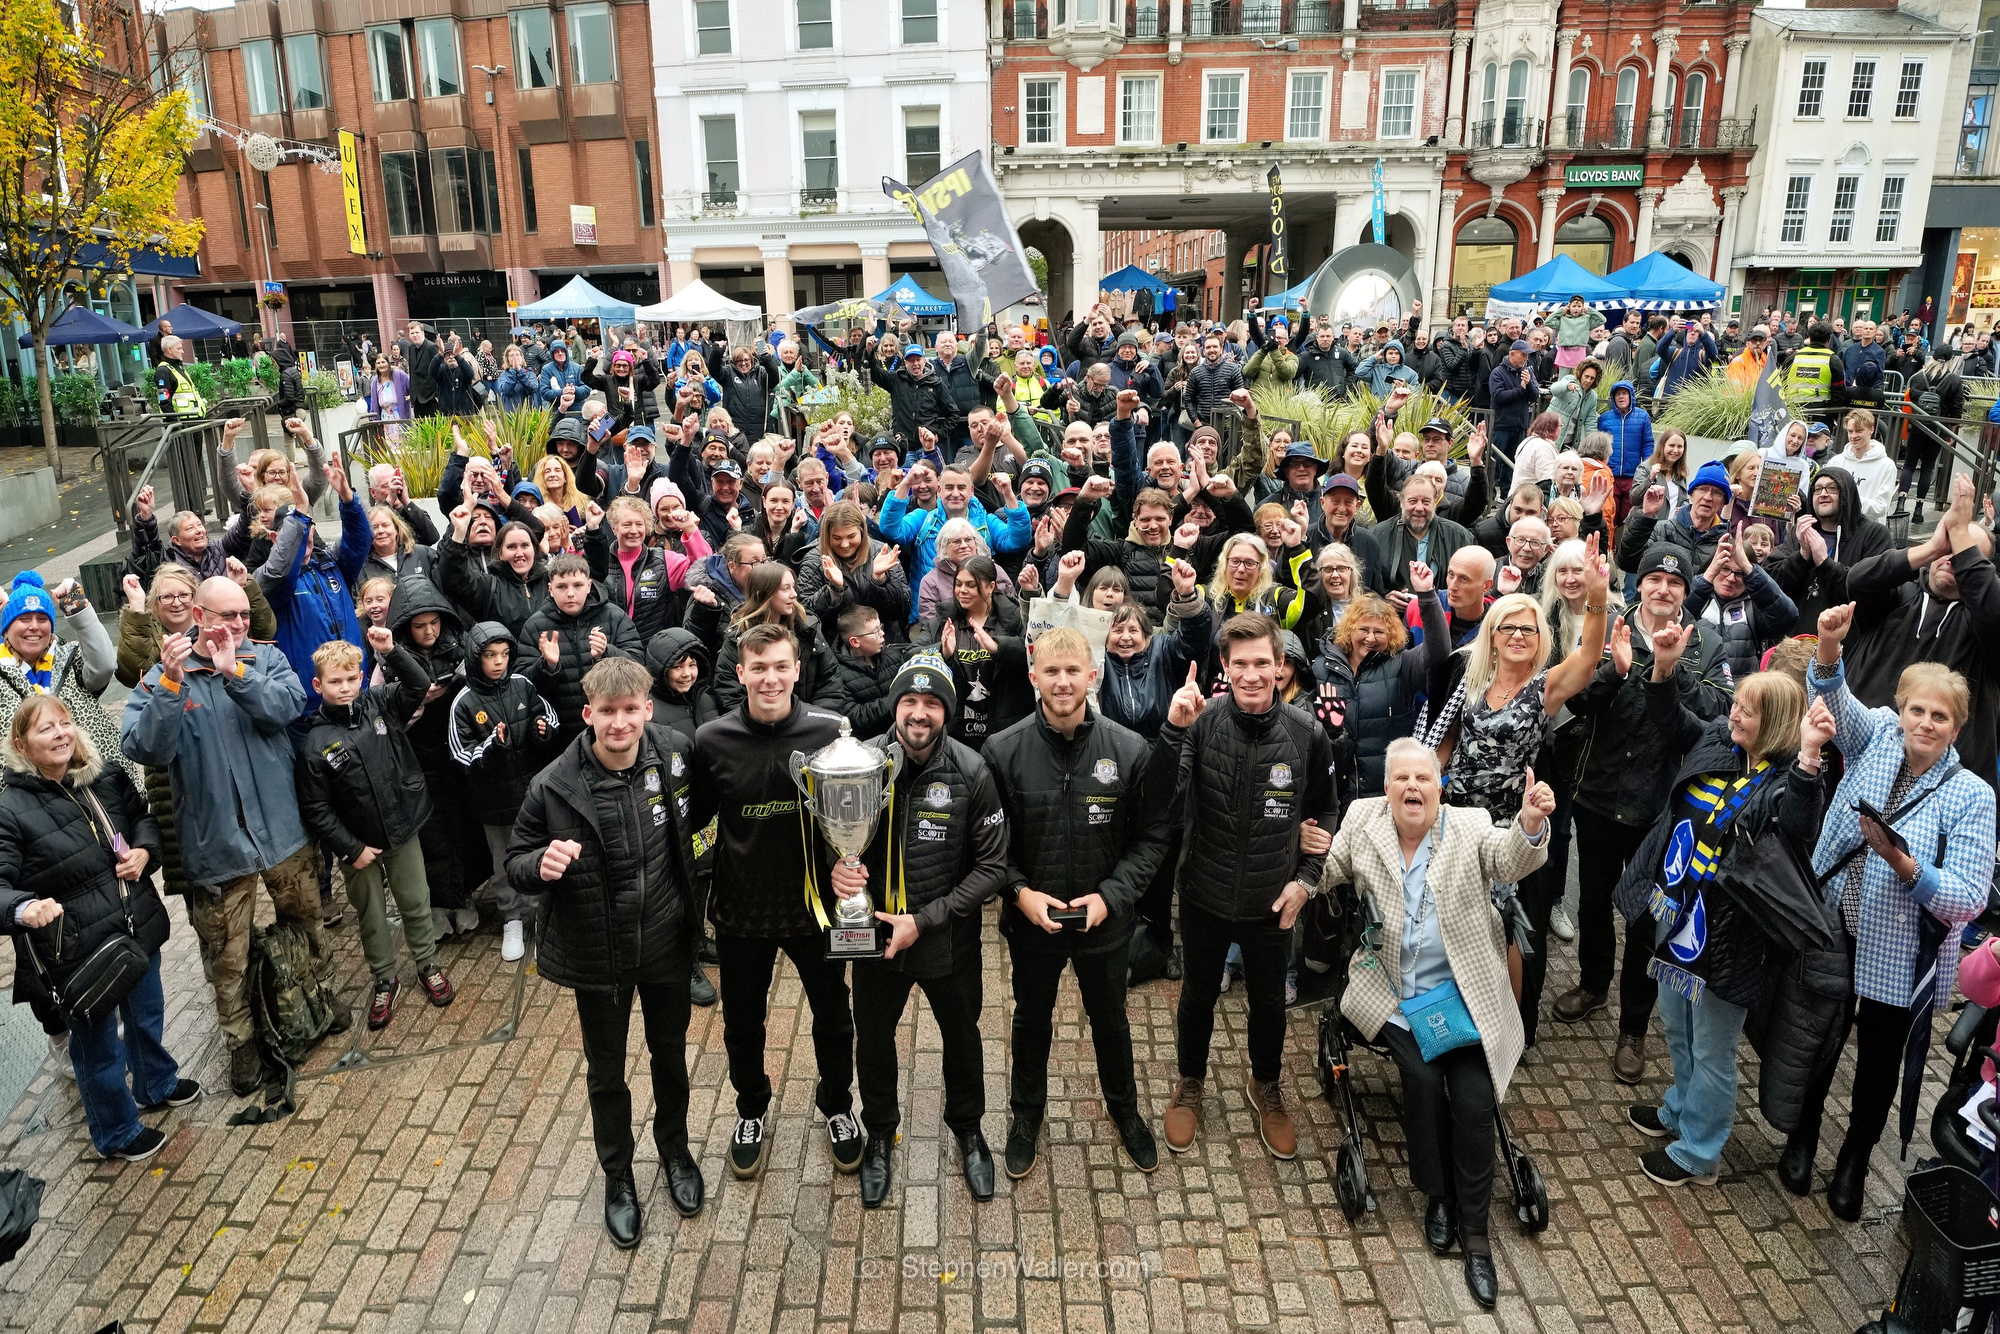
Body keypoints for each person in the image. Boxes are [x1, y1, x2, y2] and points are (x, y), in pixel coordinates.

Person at [1321, 737, 1553, 1309]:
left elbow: (1510, 858)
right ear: (1386, 789)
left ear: (1439, 788)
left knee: (1474, 1098)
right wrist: (1301, 852)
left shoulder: (1469, 827)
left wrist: (1528, 824)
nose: (1412, 787)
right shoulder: (1364, 821)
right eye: (1401, 779)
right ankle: (1439, 1196)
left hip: (1460, 995)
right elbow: (1326, 871)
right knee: (1424, 1080)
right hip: (1392, 993)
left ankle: (1476, 1236)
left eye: (1423, 778)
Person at [1788, 606, 1996, 1218]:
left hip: (1901, 950)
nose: (1925, 723)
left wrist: (1905, 865)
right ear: (1901, 710)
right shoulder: (1877, 735)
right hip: (1833, 922)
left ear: (1957, 727)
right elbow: (1835, 698)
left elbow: (1969, 896)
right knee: (1820, 1037)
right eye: (1917, 710)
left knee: (1878, 1061)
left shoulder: (1973, 796)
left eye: (1940, 716)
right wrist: (1829, 645)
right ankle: (1802, 1133)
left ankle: (1855, 1157)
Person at [507, 657, 707, 1242]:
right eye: (607, 712)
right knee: (607, 1073)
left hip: (667, 942)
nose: (620, 723)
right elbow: (515, 860)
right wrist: (538, 865)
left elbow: (702, 821)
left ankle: (675, 1151)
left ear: (648, 708)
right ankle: (618, 1175)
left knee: (670, 1057)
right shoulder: (553, 785)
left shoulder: (675, 753)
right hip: (600, 955)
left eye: (630, 710)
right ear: (587, 713)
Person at [1616, 659, 1829, 1189]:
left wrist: (1809, 758)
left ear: (1773, 724)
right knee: (1676, 1023)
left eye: (1746, 711)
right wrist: (1663, 668)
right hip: (1675, 910)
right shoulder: (1719, 742)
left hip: (1730, 933)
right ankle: (1680, 1108)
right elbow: (1673, 720)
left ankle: (1699, 1152)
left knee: (1713, 1047)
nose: (1733, 715)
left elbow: (1800, 826)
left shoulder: (1784, 782)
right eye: (1735, 705)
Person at [120, 576, 336, 1095]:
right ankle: (241, 1044)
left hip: (283, 832)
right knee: (227, 956)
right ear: (199, 616)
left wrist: (235, 672)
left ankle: (317, 1001)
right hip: (216, 845)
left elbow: (287, 707)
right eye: (227, 616)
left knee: (306, 924)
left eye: (244, 614)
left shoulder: (264, 658)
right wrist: (172, 687)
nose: (239, 624)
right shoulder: (162, 675)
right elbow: (145, 748)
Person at [981, 627, 1177, 1178]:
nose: (1063, 682)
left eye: (1073, 671)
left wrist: (1111, 897)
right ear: (1033, 677)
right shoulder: (1002, 751)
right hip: (1033, 923)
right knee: (1031, 1021)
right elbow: (989, 844)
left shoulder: (1129, 749)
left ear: (1093, 676)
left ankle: (1126, 1112)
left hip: (1104, 924)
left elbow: (1152, 837)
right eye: (1052, 671)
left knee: (1111, 1020)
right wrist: (1019, 893)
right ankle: (1025, 1117)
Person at [823, 651, 1010, 1207]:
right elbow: (829, 836)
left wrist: (924, 920)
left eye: (932, 702)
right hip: (877, 939)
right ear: (895, 706)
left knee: (963, 1037)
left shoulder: (972, 771)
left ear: (947, 711)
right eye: (909, 700)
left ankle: (969, 1130)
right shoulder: (859, 764)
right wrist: (837, 869)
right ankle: (880, 1133)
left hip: (946, 939)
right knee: (874, 1040)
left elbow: (992, 868)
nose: (919, 713)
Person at [1553, 546, 1734, 1084]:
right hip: (1599, 793)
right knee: (1592, 902)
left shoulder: (1708, 643)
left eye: (1674, 583)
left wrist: (1669, 670)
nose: (1662, 589)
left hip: (1662, 807)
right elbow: (1576, 699)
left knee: (1647, 918)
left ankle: (1633, 1026)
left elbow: (1721, 717)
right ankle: (1593, 984)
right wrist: (1617, 671)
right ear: (1640, 585)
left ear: (1685, 592)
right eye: (1654, 578)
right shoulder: (1609, 626)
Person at [689, 623, 862, 1181]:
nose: (770, 678)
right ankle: (751, 1109)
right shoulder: (711, 740)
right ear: (740, 673)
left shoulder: (830, 733)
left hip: (816, 910)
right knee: (742, 1022)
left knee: (833, 1017)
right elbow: (696, 823)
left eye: (780, 666)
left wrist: (847, 862)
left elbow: (855, 818)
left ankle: (837, 1103)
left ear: (797, 670)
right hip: (741, 910)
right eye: (758, 668)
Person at [1160, 614, 1337, 1160]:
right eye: (1241, 664)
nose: (1253, 674)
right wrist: (1174, 729)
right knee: (1197, 996)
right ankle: (1190, 1082)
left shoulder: (1307, 733)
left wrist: (1305, 881)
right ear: (1225, 667)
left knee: (1268, 1003)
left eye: (1263, 662)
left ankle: (1265, 1084)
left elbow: (1327, 812)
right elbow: (1162, 801)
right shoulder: (1202, 722)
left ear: (1281, 665)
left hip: (1272, 901)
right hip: (1204, 893)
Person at [0, 695, 192, 1160]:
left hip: (134, 923)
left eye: (64, 723)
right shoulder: (9, 809)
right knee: (97, 1046)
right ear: (21, 745)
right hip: (78, 949)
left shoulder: (105, 776)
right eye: (45, 729)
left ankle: (155, 1083)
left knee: (146, 1015)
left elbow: (142, 818)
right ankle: (116, 1132)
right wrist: (23, 909)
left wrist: (145, 851)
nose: (60, 734)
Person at [295, 632, 455, 1029]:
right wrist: (351, 849)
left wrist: (390, 651)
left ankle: (427, 963)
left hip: (402, 830)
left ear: (363, 677)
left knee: (416, 901)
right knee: (371, 915)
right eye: (335, 681)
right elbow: (317, 808)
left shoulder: (381, 704)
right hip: (358, 848)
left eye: (351, 678)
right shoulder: (315, 742)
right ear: (318, 685)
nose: (345, 687)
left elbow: (418, 684)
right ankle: (385, 977)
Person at [1838, 475, 2000, 786]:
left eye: (1965, 553)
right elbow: (1858, 580)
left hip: (1940, 786)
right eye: (1948, 548)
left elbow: (1993, 610)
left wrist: (1961, 533)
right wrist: (1932, 547)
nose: (1951, 559)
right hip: (1858, 763)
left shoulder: (1985, 623)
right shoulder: (1900, 596)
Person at [1820, 409, 1898, 523]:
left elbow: (1881, 507)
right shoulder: (1835, 462)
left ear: (1871, 429)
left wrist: (1848, 500)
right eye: (1850, 431)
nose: (1854, 436)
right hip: (1837, 527)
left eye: (1859, 431)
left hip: (1869, 530)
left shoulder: (1887, 466)